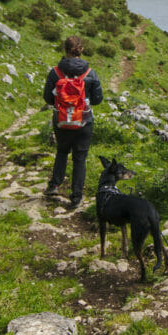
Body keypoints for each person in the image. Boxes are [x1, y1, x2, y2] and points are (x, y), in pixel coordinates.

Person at [43, 35, 103, 208]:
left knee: (62, 152)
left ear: (65, 50)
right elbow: (98, 99)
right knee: (80, 158)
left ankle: (54, 185)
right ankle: (76, 197)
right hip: (84, 120)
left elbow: (48, 98)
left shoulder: (55, 72)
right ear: (81, 50)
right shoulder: (90, 73)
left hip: (61, 120)